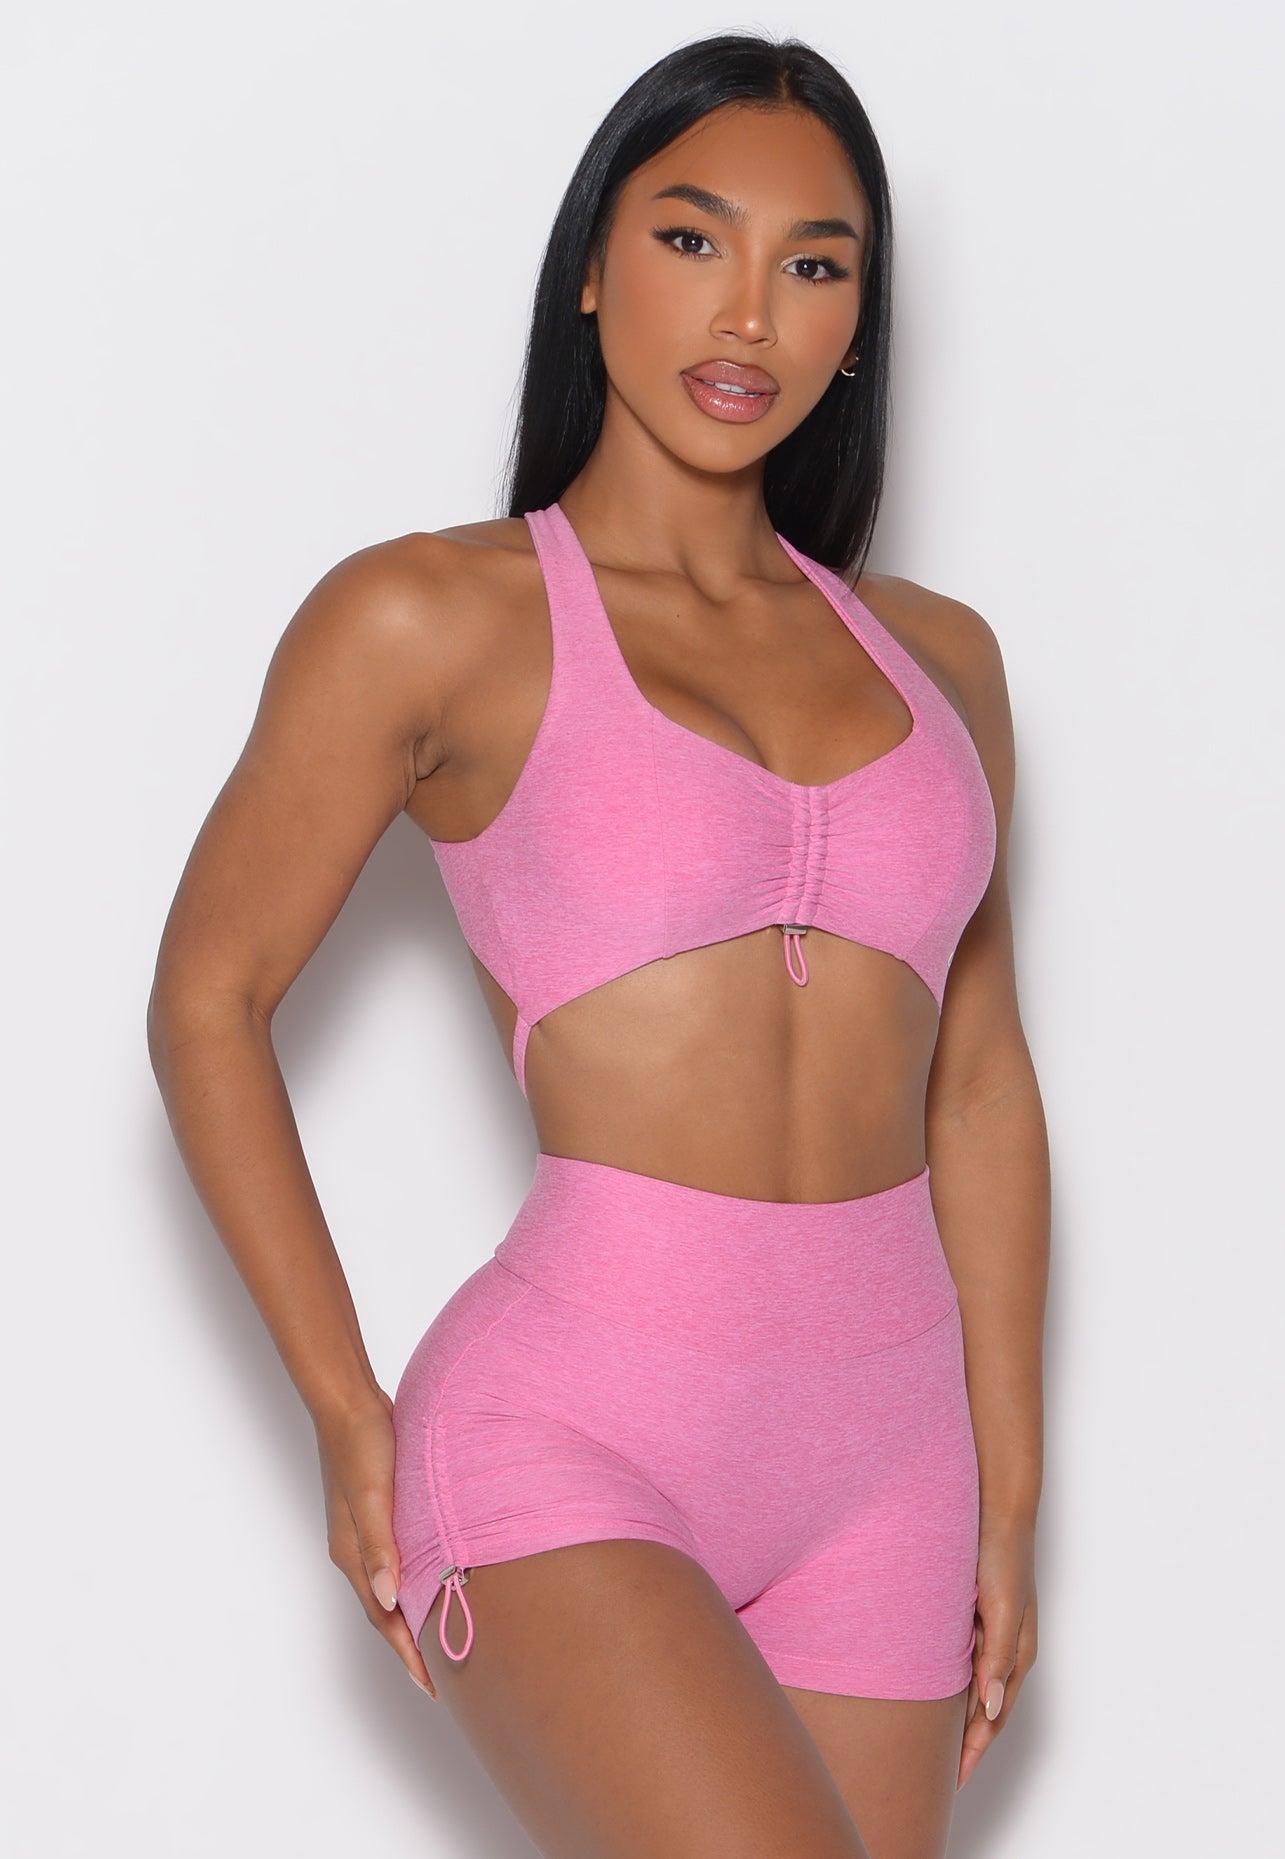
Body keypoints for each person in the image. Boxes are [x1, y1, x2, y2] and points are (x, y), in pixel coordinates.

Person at [147, 31, 1049, 1859]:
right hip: (576, 1435)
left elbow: (977, 1087)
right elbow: (208, 1001)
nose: (749, 314)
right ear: (589, 267)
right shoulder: (429, 617)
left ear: (859, 324)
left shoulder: (941, 659)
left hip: (894, 1465)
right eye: (691, 238)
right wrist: (342, 1408)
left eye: (815, 265)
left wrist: (1013, 1497)